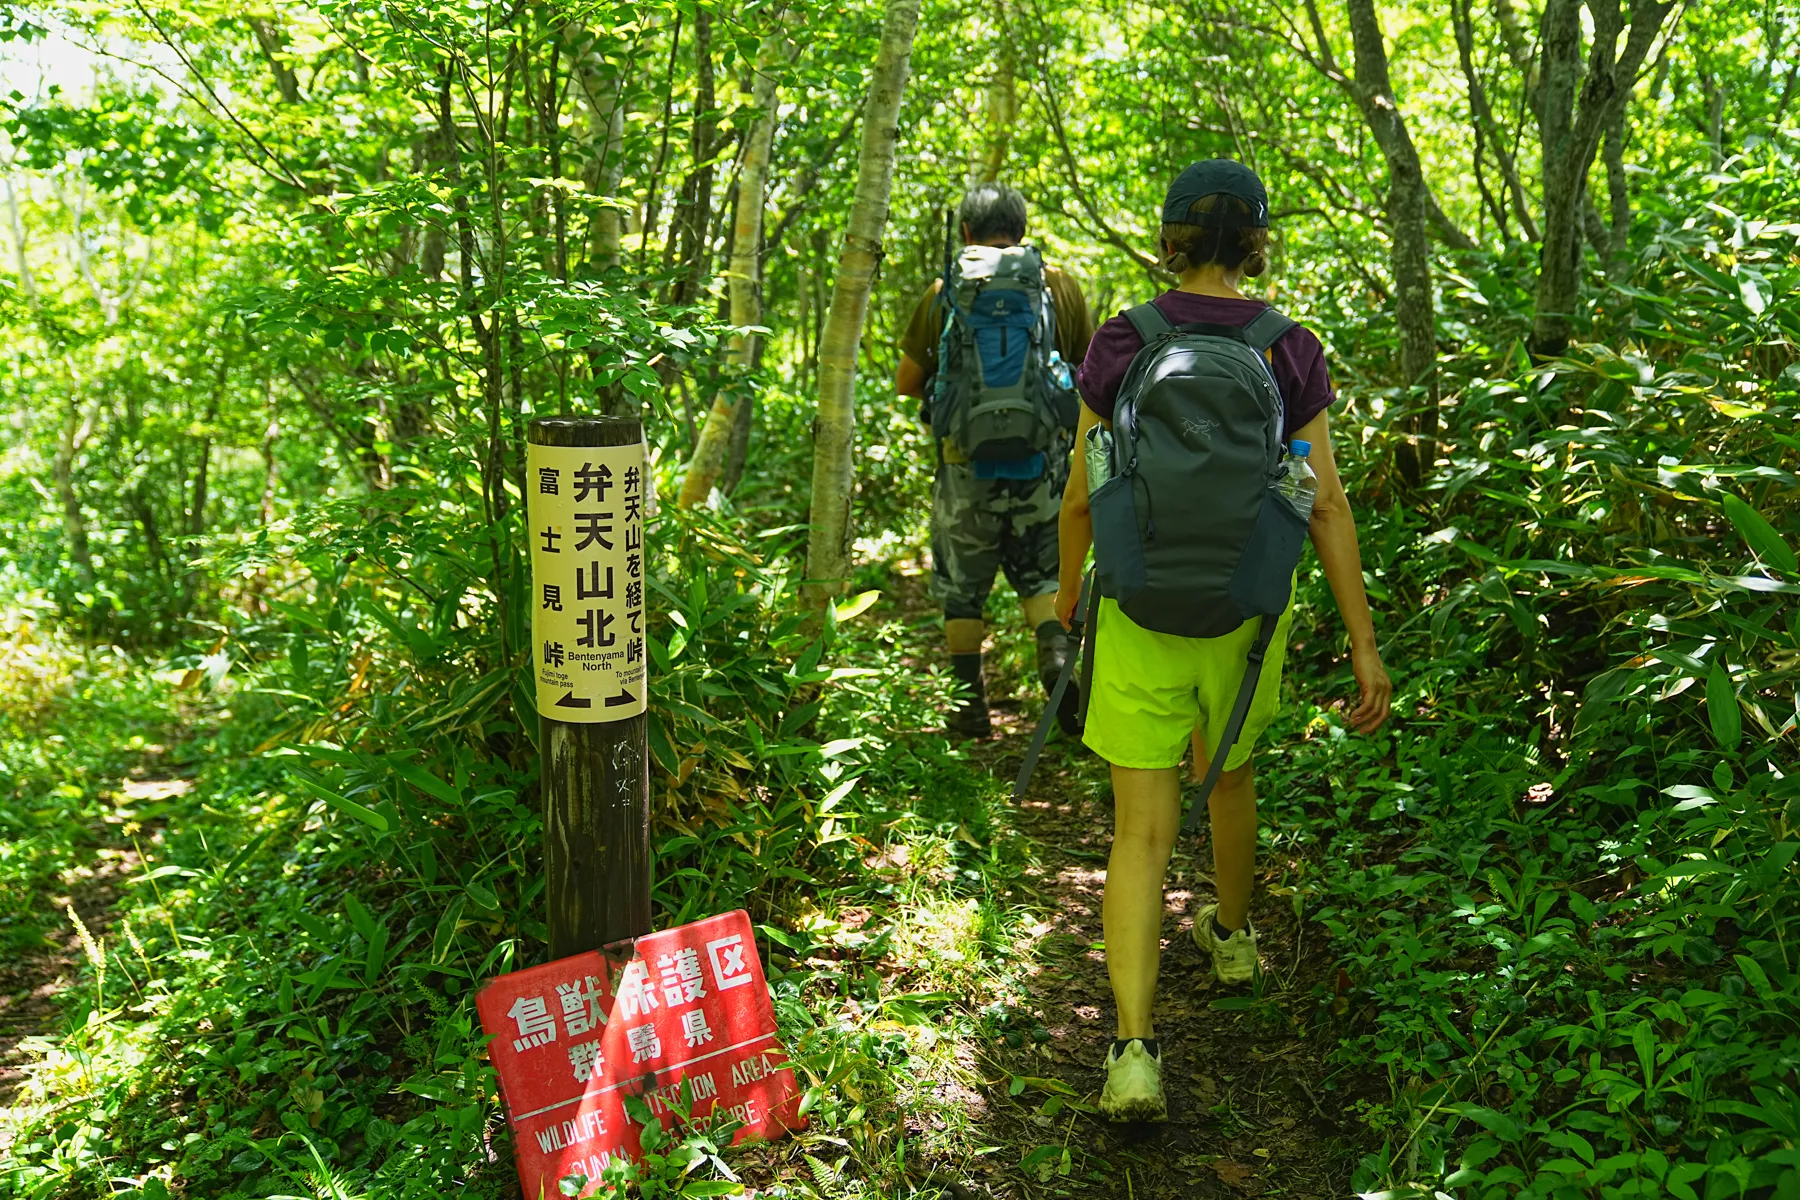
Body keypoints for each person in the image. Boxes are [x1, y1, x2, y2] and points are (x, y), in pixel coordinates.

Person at [1052, 160, 1393, 1121]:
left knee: (1140, 830)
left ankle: (1130, 1053)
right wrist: (1364, 644)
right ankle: (1233, 938)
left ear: (1169, 239)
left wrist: (1067, 604)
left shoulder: (1125, 340)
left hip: (1138, 614)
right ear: (1255, 243)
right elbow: (1324, 504)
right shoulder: (1290, 348)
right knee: (1230, 777)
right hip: (1245, 617)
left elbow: (1081, 495)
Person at [896, 184, 1097, 739]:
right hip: (1043, 465)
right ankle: (1057, 668)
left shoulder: (945, 292)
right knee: (1040, 578)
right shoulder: (1056, 286)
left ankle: (969, 710)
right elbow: (1083, 373)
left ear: (965, 233)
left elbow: (906, 382)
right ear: (1023, 230)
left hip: (965, 468)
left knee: (962, 590)